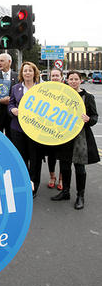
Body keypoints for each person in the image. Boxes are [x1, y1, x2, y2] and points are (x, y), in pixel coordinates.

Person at [51, 70, 100, 209]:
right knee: (64, 166)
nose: (73, 81)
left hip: (81, 137)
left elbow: (95, 117)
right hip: (65, 135)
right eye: (70, 79)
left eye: (75, 79)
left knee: (80, 167)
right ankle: (65, 192)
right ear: (66, 80)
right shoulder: (63, 95)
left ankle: (80, 196)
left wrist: (89, 119)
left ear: (80, 80)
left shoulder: (88, 97)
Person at [8, 61, 42, 197]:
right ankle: (24, 183)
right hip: (18, 129)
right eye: (25, 70)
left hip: (36, 130)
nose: (27, 73)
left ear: (35, 73)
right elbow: (10, 105)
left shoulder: (42, 88)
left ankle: (34, 185)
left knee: (35, 159)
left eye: (30, 70)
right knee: (21, 158)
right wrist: (12, 110)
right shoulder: (16, 88)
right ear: (22, 73)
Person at [0, 53, 18, 139]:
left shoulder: (18, 77)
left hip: (12, 115)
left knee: (12, 139)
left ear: (9, 62)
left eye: (2, 61)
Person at [46, 68, 63, 190]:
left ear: (62, 77)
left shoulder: (68, 91)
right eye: (53, 76)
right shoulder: (46, 91)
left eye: (57, 75)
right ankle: (52, 177)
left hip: (64, 131)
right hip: (49, 130)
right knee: (51, 155)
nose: (55, 78)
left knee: (63, 156)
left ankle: (61, 179)